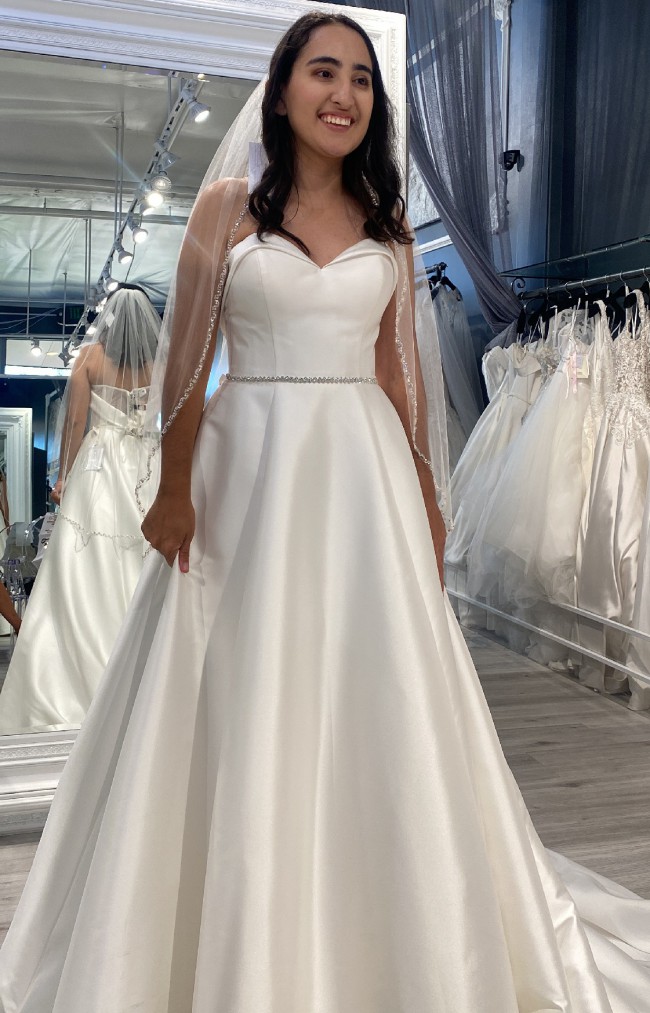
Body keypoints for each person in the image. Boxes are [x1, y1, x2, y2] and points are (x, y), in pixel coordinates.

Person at [0, 12, 649, 1012]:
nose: (343, 94)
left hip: (361, 468)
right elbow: (186, 362)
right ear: (283, 88)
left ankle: (399, 908)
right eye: (322, 72)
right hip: (245, 464)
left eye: (360, 79)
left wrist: (425, 495)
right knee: (234, 672)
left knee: (375, 673)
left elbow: (399, 376)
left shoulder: (387, 222)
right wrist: (172, 486)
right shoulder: (226, 207)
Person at [0, 285, 160, 733]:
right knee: (142, 558)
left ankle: (80, 673)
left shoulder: (90, 358)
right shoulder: (161, 364)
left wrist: (64, 477)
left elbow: (74, 421)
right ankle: (144, 675)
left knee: (86, 561)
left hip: (101, 463)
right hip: (148, 463)